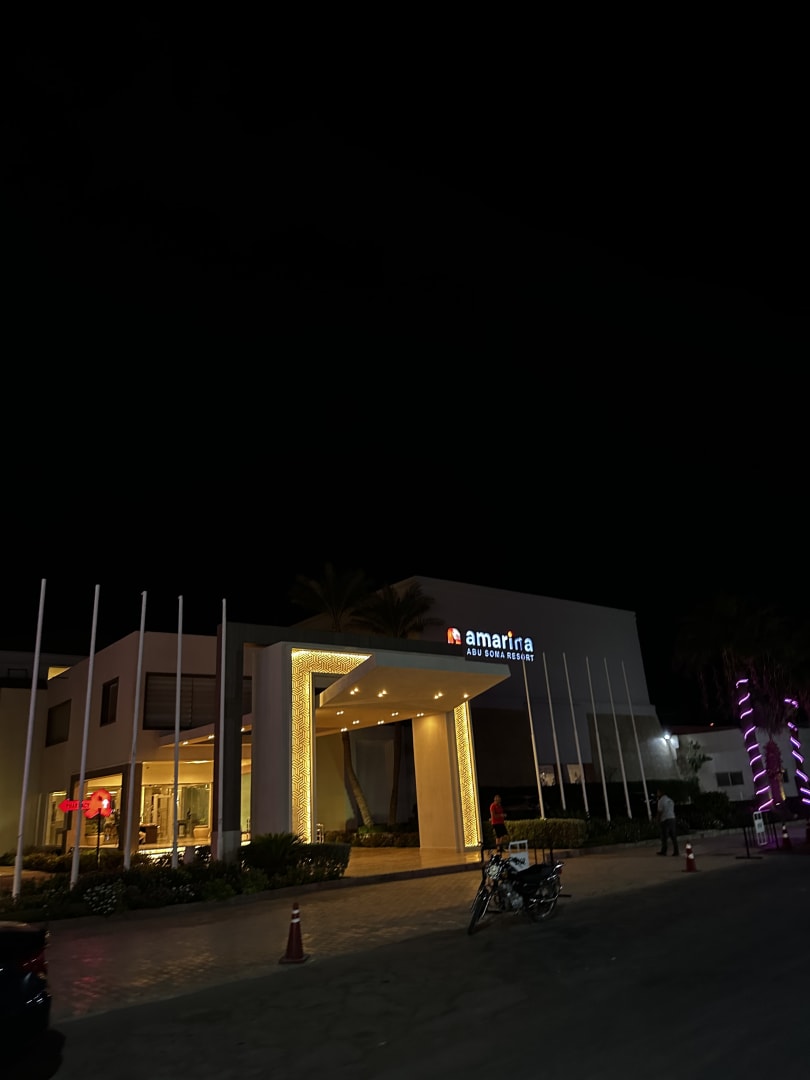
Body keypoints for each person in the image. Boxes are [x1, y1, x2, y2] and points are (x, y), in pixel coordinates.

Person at [656, 788, 679, 856]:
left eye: (658, 792)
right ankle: (676, 851)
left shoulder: (661, 801)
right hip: (672, 818)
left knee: (664, 836)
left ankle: (664, 851)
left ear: (661, 793)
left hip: (665, 819)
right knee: (673, 836)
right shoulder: (670, 800)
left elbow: (660, 811)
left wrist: (658, 819)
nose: (657, 794)